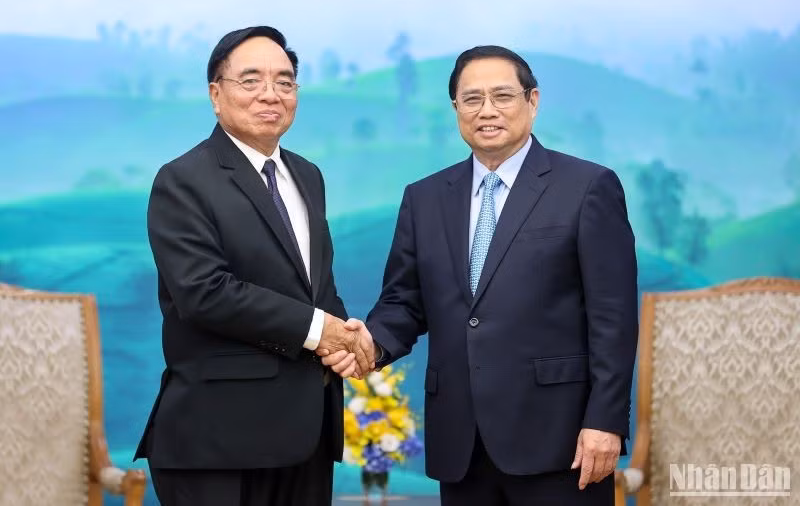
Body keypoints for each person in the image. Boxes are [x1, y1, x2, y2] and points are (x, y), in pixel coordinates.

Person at [325, 45, 638, 505]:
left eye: (502, 96)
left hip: (561, 441)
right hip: (461, 442)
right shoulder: (425, 197)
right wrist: (369, 344)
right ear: (456, 109)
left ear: (532, 102)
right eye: (471, 99)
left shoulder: (587, 187)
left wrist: (605, 421)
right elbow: (404, 302)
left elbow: (613, 318)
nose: (486, 110)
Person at [134, 25, 374, 506]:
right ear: (215, 93)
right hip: (219, 441)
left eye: (285, 82)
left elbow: (314, 288)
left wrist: (348, 337)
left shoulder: (308, 175)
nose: (271, 94)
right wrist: (319, 330)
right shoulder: (183, 179)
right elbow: (204, 290)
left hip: (306, 436)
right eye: (251, 80)